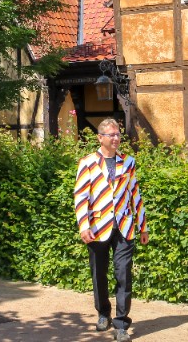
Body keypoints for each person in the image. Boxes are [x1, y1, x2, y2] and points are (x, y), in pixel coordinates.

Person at [74, 118, 148, 342]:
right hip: (97, 227)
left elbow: (135, 194)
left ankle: (122, 324)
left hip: (124, 227)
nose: (116, 138)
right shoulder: (87, 162)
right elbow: (81, 196)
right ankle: (103, 312)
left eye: (118, 135)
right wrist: (83, 226)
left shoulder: (128, 162)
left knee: (123, 274)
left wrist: (142, 226)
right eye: (111, 135)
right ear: (100, 138)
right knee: (99, 274)